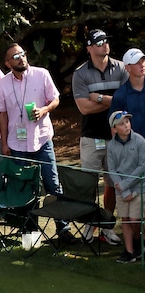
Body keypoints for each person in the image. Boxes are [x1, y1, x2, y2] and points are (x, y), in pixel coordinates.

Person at [73, 29, 127, 245]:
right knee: (89, 184)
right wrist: (111, 101)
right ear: (89, 48)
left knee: (112, 184)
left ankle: (106, 227)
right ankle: (88, 226)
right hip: (91, 136)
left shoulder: (121, 67)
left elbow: (124, 102)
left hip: (117, 138)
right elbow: (84, 108)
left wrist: (99, 98)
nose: (104, 44)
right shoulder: (81, 73)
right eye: (99, 42)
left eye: (106, 40)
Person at [0, 44, 64, 208]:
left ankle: (63, 228)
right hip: (17, 143)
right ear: (7, 63)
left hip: (42, 139)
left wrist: (44, 110)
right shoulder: (3, 83)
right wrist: (3, 143)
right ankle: (29, 229)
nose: (21, 58)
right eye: (15, 57)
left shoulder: (41, 74)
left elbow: (55, 99)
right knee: (23, 187)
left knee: (53, 184)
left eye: (22, 54)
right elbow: (2, 114)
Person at [106, 111, 145, 263]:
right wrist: (123, 189)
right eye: (122, 124)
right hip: (121, 190)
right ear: (114, 128)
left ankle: (138, 241)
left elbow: (142, 166)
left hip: (138, 187)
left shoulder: (140, 141)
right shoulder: (111, 146)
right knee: (126, 220)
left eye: (127, 122)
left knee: (135, 219)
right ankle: (129, 252)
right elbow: (112, 170)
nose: (126, 125)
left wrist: (125, 186)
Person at [112, 49, 145, 135]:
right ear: (127, 67)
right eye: (137, 62)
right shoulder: (120, 95)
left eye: (143, 61)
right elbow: (114, 127)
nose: (142, 65)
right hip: (134, 146)